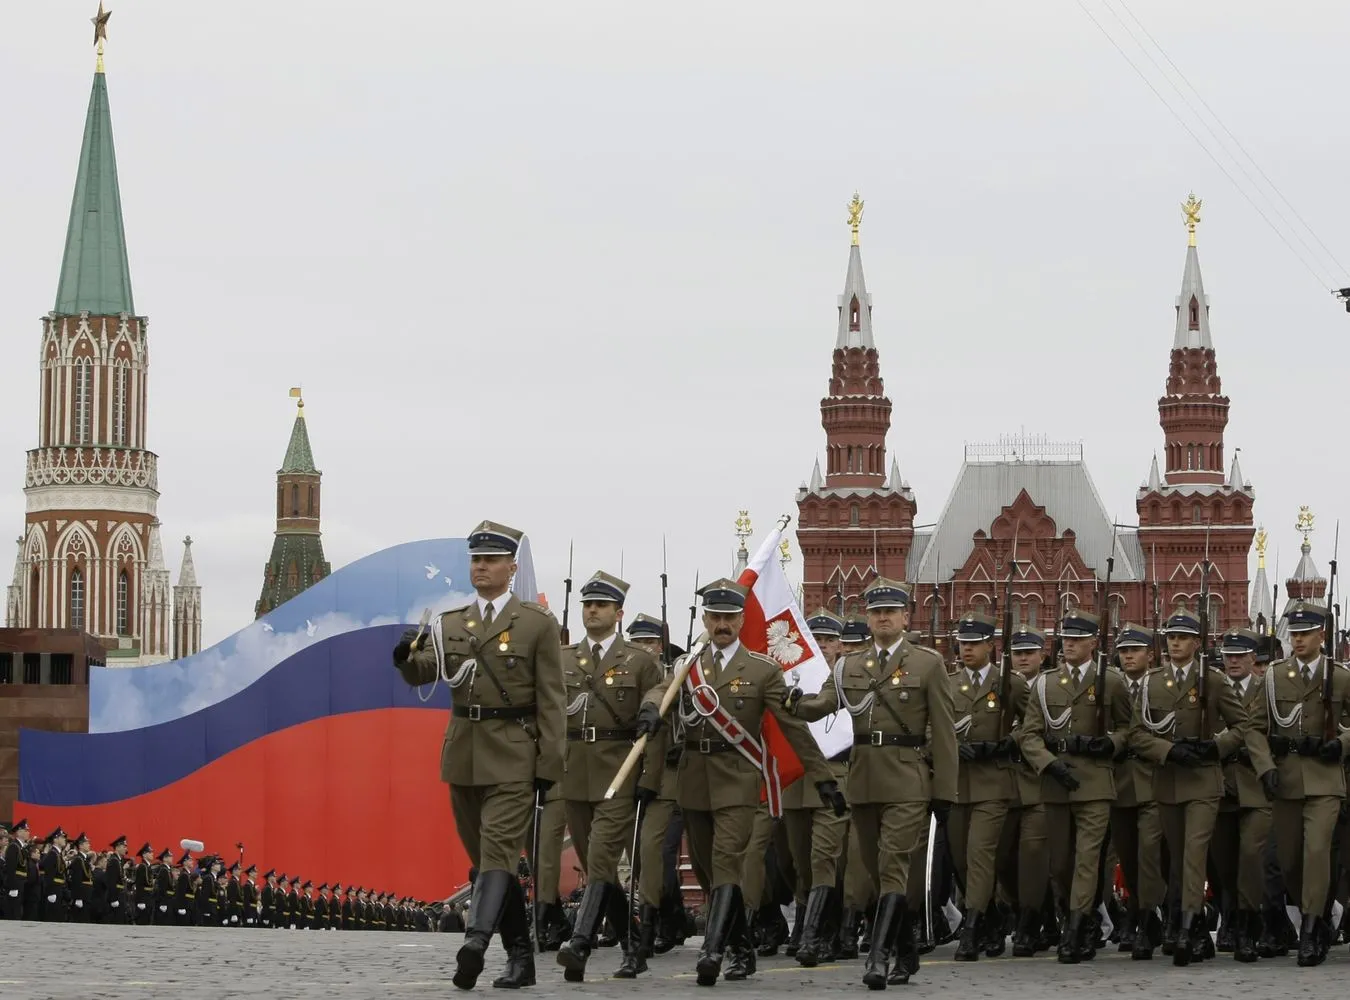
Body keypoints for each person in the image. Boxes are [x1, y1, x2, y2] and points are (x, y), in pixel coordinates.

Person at [394, 519, 565, 990]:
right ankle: (520, 957)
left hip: (513, 753)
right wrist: (406, 658)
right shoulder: (450, 622)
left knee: (498, 852)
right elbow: (427, 672)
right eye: (476, 559)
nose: (482, 567)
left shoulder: (536, 624)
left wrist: (550, 764)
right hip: (463, 751)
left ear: (511, 567)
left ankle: (475, 942)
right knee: (491, 860)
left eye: (491, 559)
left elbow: (552, 698)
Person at [649, 578, 841, 987]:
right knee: (706, 871)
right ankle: (741, 947)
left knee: (727, 863)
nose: (722, 623)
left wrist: (822, 778)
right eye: (715, 616)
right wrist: (651, 708)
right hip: (693, 781)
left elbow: (791, 727)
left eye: (730, 617)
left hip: (737, 779)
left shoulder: (761, 669)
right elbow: (662, 691)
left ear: (741, 619)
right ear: (705, 618)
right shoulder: (689, 666)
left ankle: (713, 951)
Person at [789, 577, 957, 988]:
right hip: (862, 779)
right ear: (868, 617)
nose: (883, 618)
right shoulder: (849, 665)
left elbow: (945, 731)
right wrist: (792, 700)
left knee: (892, 864)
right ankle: (907, 952)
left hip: (907, 779)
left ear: (904, 616)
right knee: (877, 871)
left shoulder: (927, 663)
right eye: (876, 612)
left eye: (890, 611)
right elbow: (822, 706)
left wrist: (944, 792)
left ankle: (879, 958)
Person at [555, 571, 665, 982]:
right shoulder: (565, 659)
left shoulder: (639, 659)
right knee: (595, 865)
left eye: (600, 604)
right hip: (575, 771)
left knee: (602, 857)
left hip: (619, 771)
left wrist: (649, 777)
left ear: (619, 613)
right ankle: (634, 945)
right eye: (587, 604)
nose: (592, 610)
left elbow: (659, 704)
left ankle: (580, 942)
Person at [1129, 608, 1251, 967]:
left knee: (1195, 852)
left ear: (1197, 642)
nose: (1175, 642)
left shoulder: (1211, 680)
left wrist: (1216, 747)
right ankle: (1195, 926)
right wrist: (1168, 750)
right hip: (1168, 780)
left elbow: (1242, 725)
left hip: (1203, 781)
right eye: (1170, 636)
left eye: (1182, 637)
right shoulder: (1152, 682)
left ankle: (1184, 928)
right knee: (1179, 856)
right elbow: (1137, 733)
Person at [1021, 608, 1131, 964]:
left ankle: (1076, 926)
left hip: (1096, 781)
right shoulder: (1044, 683)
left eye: (1077, 639)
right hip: (1056, 782)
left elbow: (1130, 728)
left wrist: (1111, 743)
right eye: (1066, 638)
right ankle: (1079, 915)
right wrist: (1049, 764)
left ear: (1093, 643)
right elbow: (1030, 735)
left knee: (1087, 858)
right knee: (1061, 864)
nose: (1069, 644)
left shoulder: (1111, 681)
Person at [1263, 601, 1350, 966]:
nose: (1297, 640)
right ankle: (1315, 911)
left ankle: (1312, 930)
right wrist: (1264, 765)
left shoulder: (1340, 676)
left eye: (1304, 634)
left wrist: (1340, 744)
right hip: (1285, 777)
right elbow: (1254, 728)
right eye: (1294, 634)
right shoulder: (1273, 676)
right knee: (1290, 860)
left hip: (1326, 777)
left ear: (1321, 636)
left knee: (1317, 851)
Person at [625, 612, 693, 961]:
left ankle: (669, 922)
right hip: (646, 777)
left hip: (680, 774)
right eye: (635, 641)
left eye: (648, 642)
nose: (642, 648)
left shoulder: (678, 672)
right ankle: (671, 919)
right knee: (645, 858)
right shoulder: (629, 674)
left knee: (668, 854)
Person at [788, 609, 853, 968]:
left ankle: (819, 932)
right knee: (798, 859)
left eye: (829, 639)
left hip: (838, 773)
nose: (824, 645)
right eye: (818, 639)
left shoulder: (850, 676)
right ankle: (803, 922)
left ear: (840, 645)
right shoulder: (792, 674)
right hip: (798, 778)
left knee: (824, 856)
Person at [1209, 627, 1275, 963]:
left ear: (1253, 658)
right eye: (1228, 655)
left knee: (1251, 856)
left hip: (1257, 783)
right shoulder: (1210, 687)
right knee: (1222, 861)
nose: (1233, 661)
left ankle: (1249, 923)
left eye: (1240, 655)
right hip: (1219, 783)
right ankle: (1229, 918)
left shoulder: (1269, 689)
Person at [1109, 624, 1166, 960]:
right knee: (1127, 856)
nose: (1128, 655)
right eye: (1123, 650)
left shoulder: (1160, 684)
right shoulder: (1111, 684)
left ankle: (1147, 918)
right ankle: (1138, 911)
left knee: (1149, 854)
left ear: (1150, 654)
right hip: (1117, 780)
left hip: (1151, 778)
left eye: (1135, 649)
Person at [995, 625, 1052, 955]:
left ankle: (1034, 920)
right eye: (1017, 652)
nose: (1023, 658)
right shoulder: (999, 685)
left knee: (1035, 858)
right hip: (1002, 783)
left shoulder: (1050, 686)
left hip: (1038, 782)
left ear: (1042, 654)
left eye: (1029, 652)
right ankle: (1020, 910)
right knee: (1001, 860)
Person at [39, 827, 69, 922]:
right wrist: (51, 892)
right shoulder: (53, 854)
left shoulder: (57, 854)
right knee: (53, 918)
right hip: (54, 890)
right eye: (62, 837)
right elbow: (49, 875)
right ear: (55, 839)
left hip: (59, 890)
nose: (64, 839)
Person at [3, 820, 30, 921]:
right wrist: (13, 887)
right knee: (13, 912)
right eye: (25, 830)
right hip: (15, 884)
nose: (28, 832)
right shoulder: (14, 847)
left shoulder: (21, 847)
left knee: (18, 910)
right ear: (18, 832)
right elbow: (11, 868)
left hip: (20, 882)